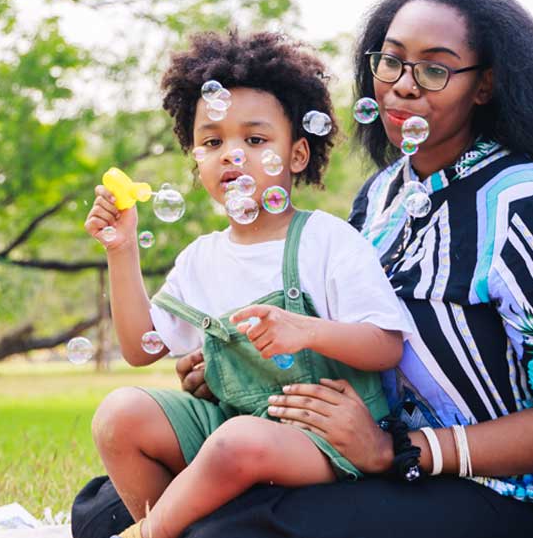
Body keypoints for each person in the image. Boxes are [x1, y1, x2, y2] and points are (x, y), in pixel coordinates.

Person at [166, 0, 533, 536]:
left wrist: (399, 450)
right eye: (391, 61)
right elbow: (346, 341)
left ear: (485, 86)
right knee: (138, 493)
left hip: (525, 502)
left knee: (230, 529)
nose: (402, 86)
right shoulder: (382, 196)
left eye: (434, 69)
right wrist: (239, 368)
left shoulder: (523, 204)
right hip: (391, 476)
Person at [83, 31, 412, 538]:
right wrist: (121, 249)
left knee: (238, 441)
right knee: (119, 415)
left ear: (297, 154)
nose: (232, 154)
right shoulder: (202, 259)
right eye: (213, 142)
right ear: (196, 159)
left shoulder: (325, 239)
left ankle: (148, 534)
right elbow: (139, 346)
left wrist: (307, 331)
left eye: (255, 141)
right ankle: (178, 524)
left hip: (325, 436)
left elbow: (386, 344)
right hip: (235, 430)